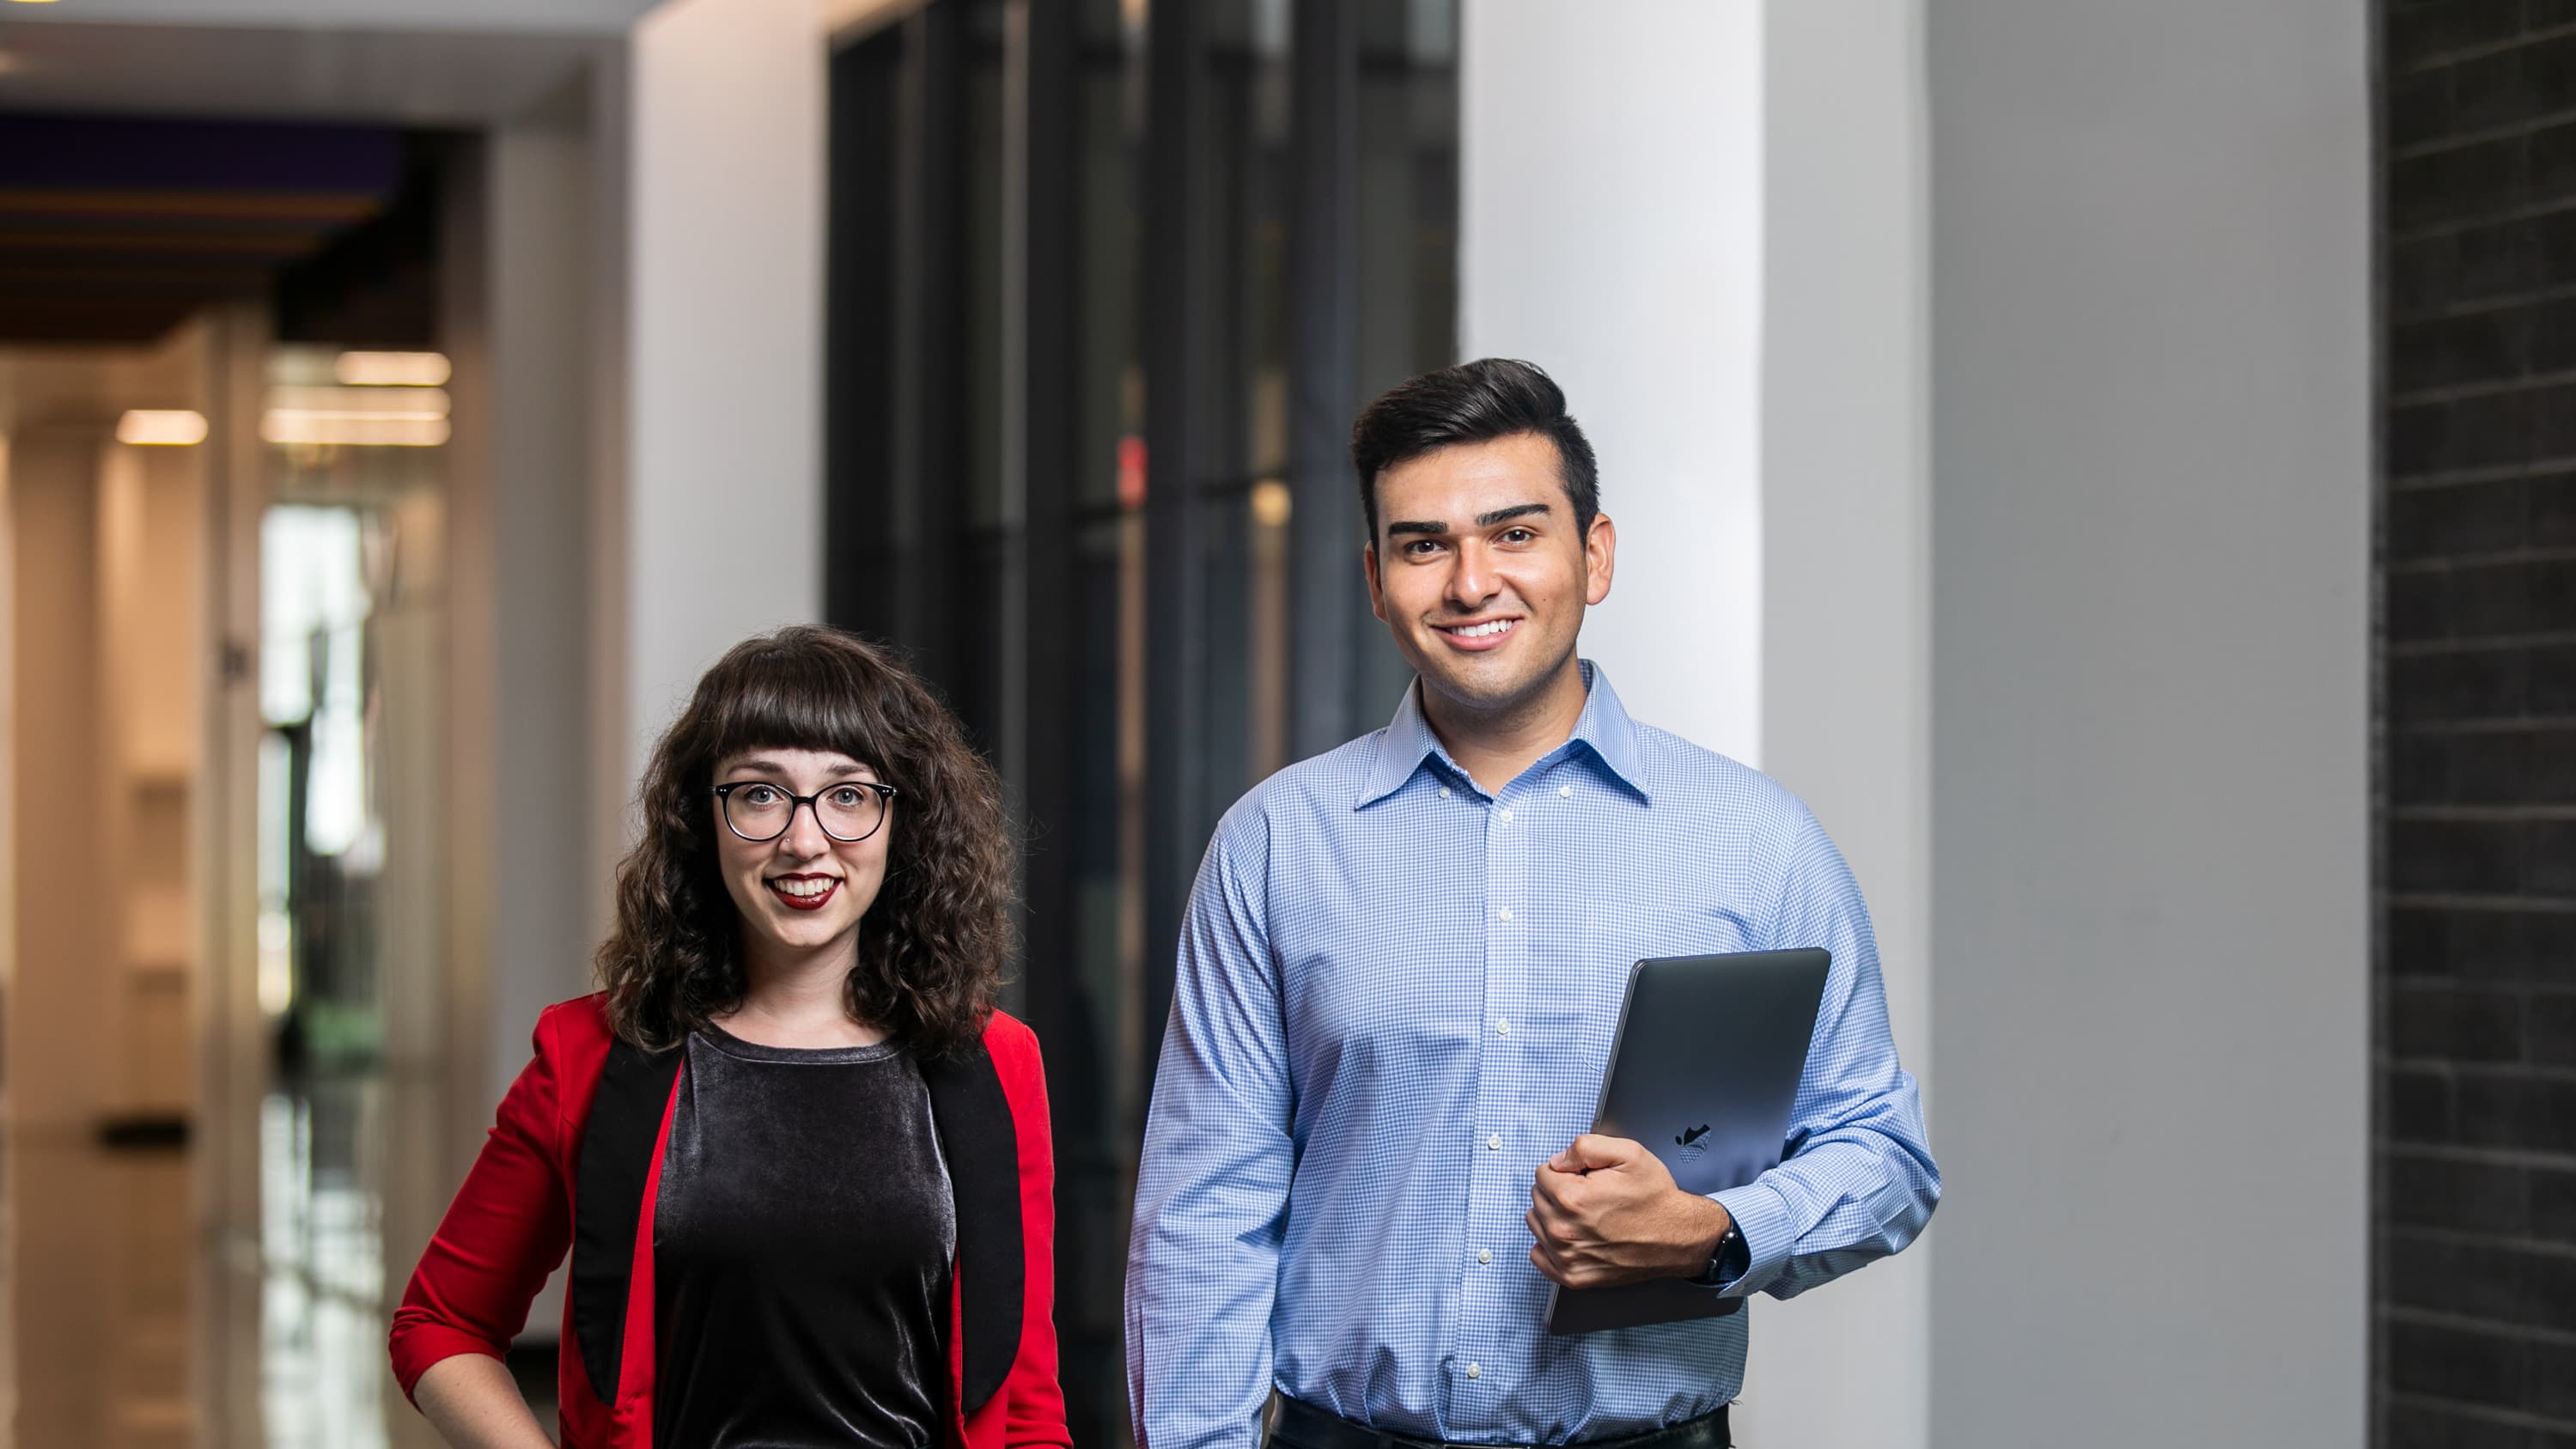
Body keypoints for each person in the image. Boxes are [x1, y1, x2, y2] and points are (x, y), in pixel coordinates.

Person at [1125, 360, 1939, 1449]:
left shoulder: (1755, 840)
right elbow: (1203, 1211)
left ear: (1593, 556)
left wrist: (1712, 1228)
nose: (1471, 583)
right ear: (1376, 579)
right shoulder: (1276, 844)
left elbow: (1883, 1150)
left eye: (1515, 533)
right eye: (1425, 544)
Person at [389, 625, 1069, 1449]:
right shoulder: (590, 1053)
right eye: (760, 793)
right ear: (700, 817)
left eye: (848, 794)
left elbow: (1026, 1410)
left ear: (904, 822)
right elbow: (441, 1321)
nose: (805, 839)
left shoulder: (997, 1062)